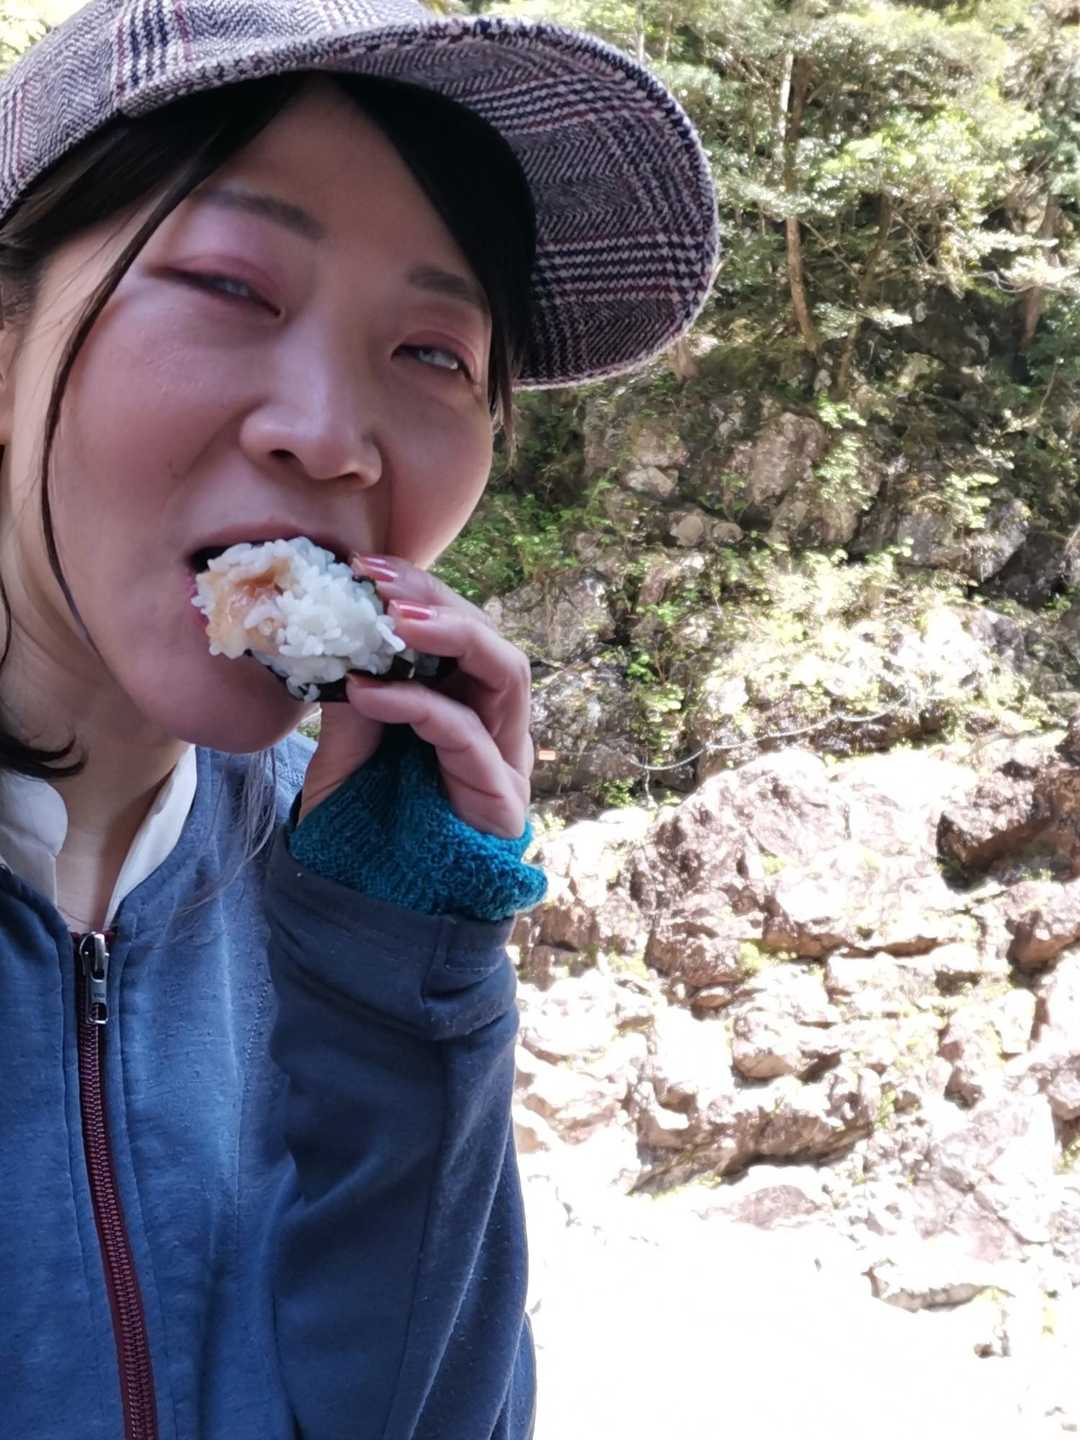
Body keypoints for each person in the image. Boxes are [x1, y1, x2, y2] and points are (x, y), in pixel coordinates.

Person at [0, 1, 717, 1436]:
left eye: (436, 353)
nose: (330, 437)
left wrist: (407, 985)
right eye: (230, 284)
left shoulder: (349, 874)